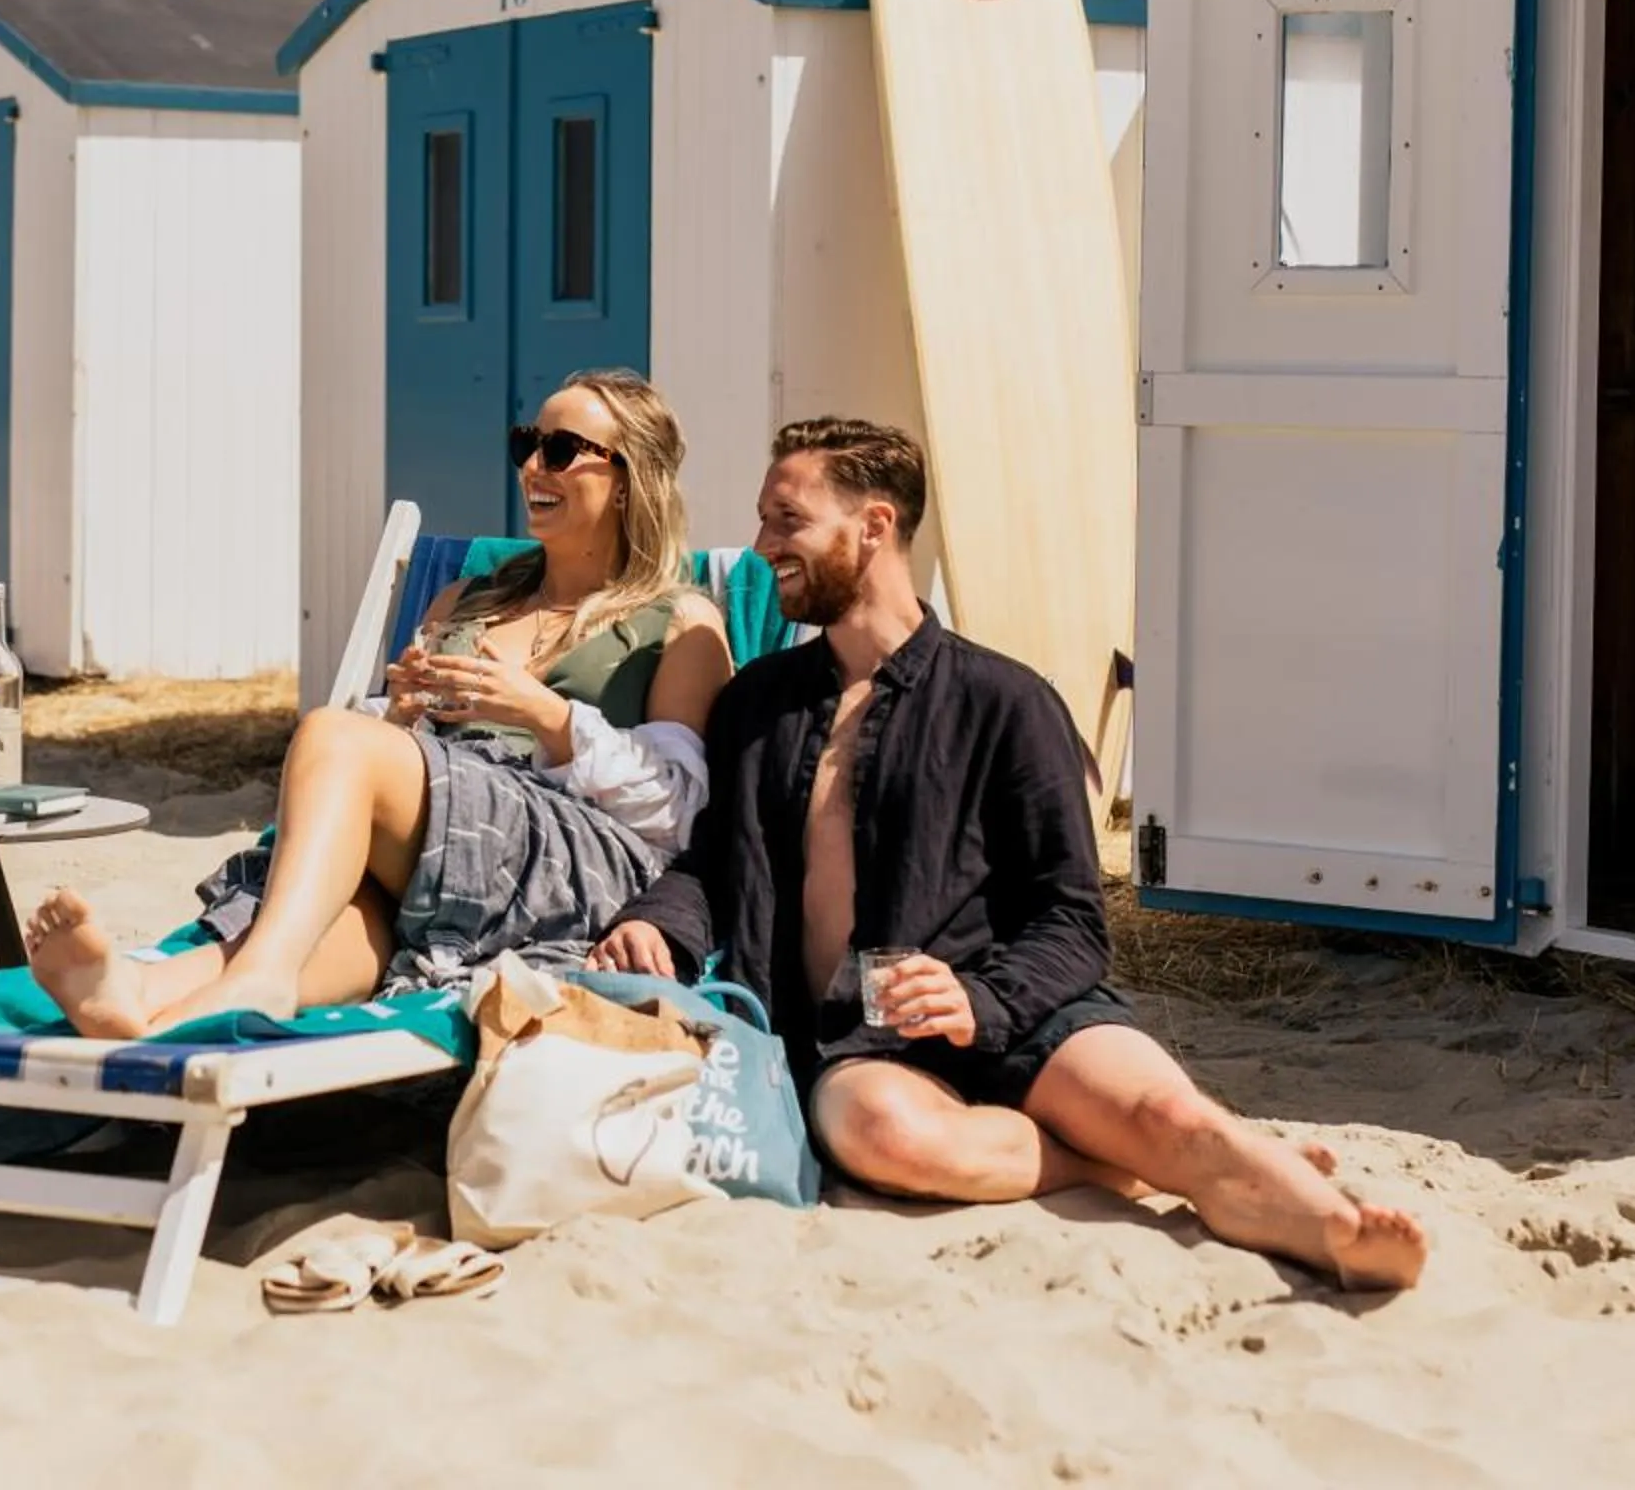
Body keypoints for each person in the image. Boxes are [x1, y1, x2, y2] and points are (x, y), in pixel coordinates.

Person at [590, 417, 1428, 1291]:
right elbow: (716, 862)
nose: (763, 546)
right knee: (886, 1138)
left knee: (1170, 1113)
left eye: (787, 520)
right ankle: (1120, 1168)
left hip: (1021, 1004)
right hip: (860, 1042)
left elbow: (1073, 920)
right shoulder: (757, 704)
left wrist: (978, 999)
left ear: (874, 526)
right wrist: (658, 923)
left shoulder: (1007, 701)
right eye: (764, 521)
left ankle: (1330, 1228)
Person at [27, 369, 735, 1038]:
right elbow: (401, 753)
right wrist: (400, 716)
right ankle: (145, 994)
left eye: (560, 450)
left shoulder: (677, 621)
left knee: (333, 734)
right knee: (354, 904)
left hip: (577, 862)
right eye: (527, 444)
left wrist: (548, 717)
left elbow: (680, 814)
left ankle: (260, 979)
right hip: (451, 848)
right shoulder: (467, 598)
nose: (532, 468)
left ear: (627, 480)